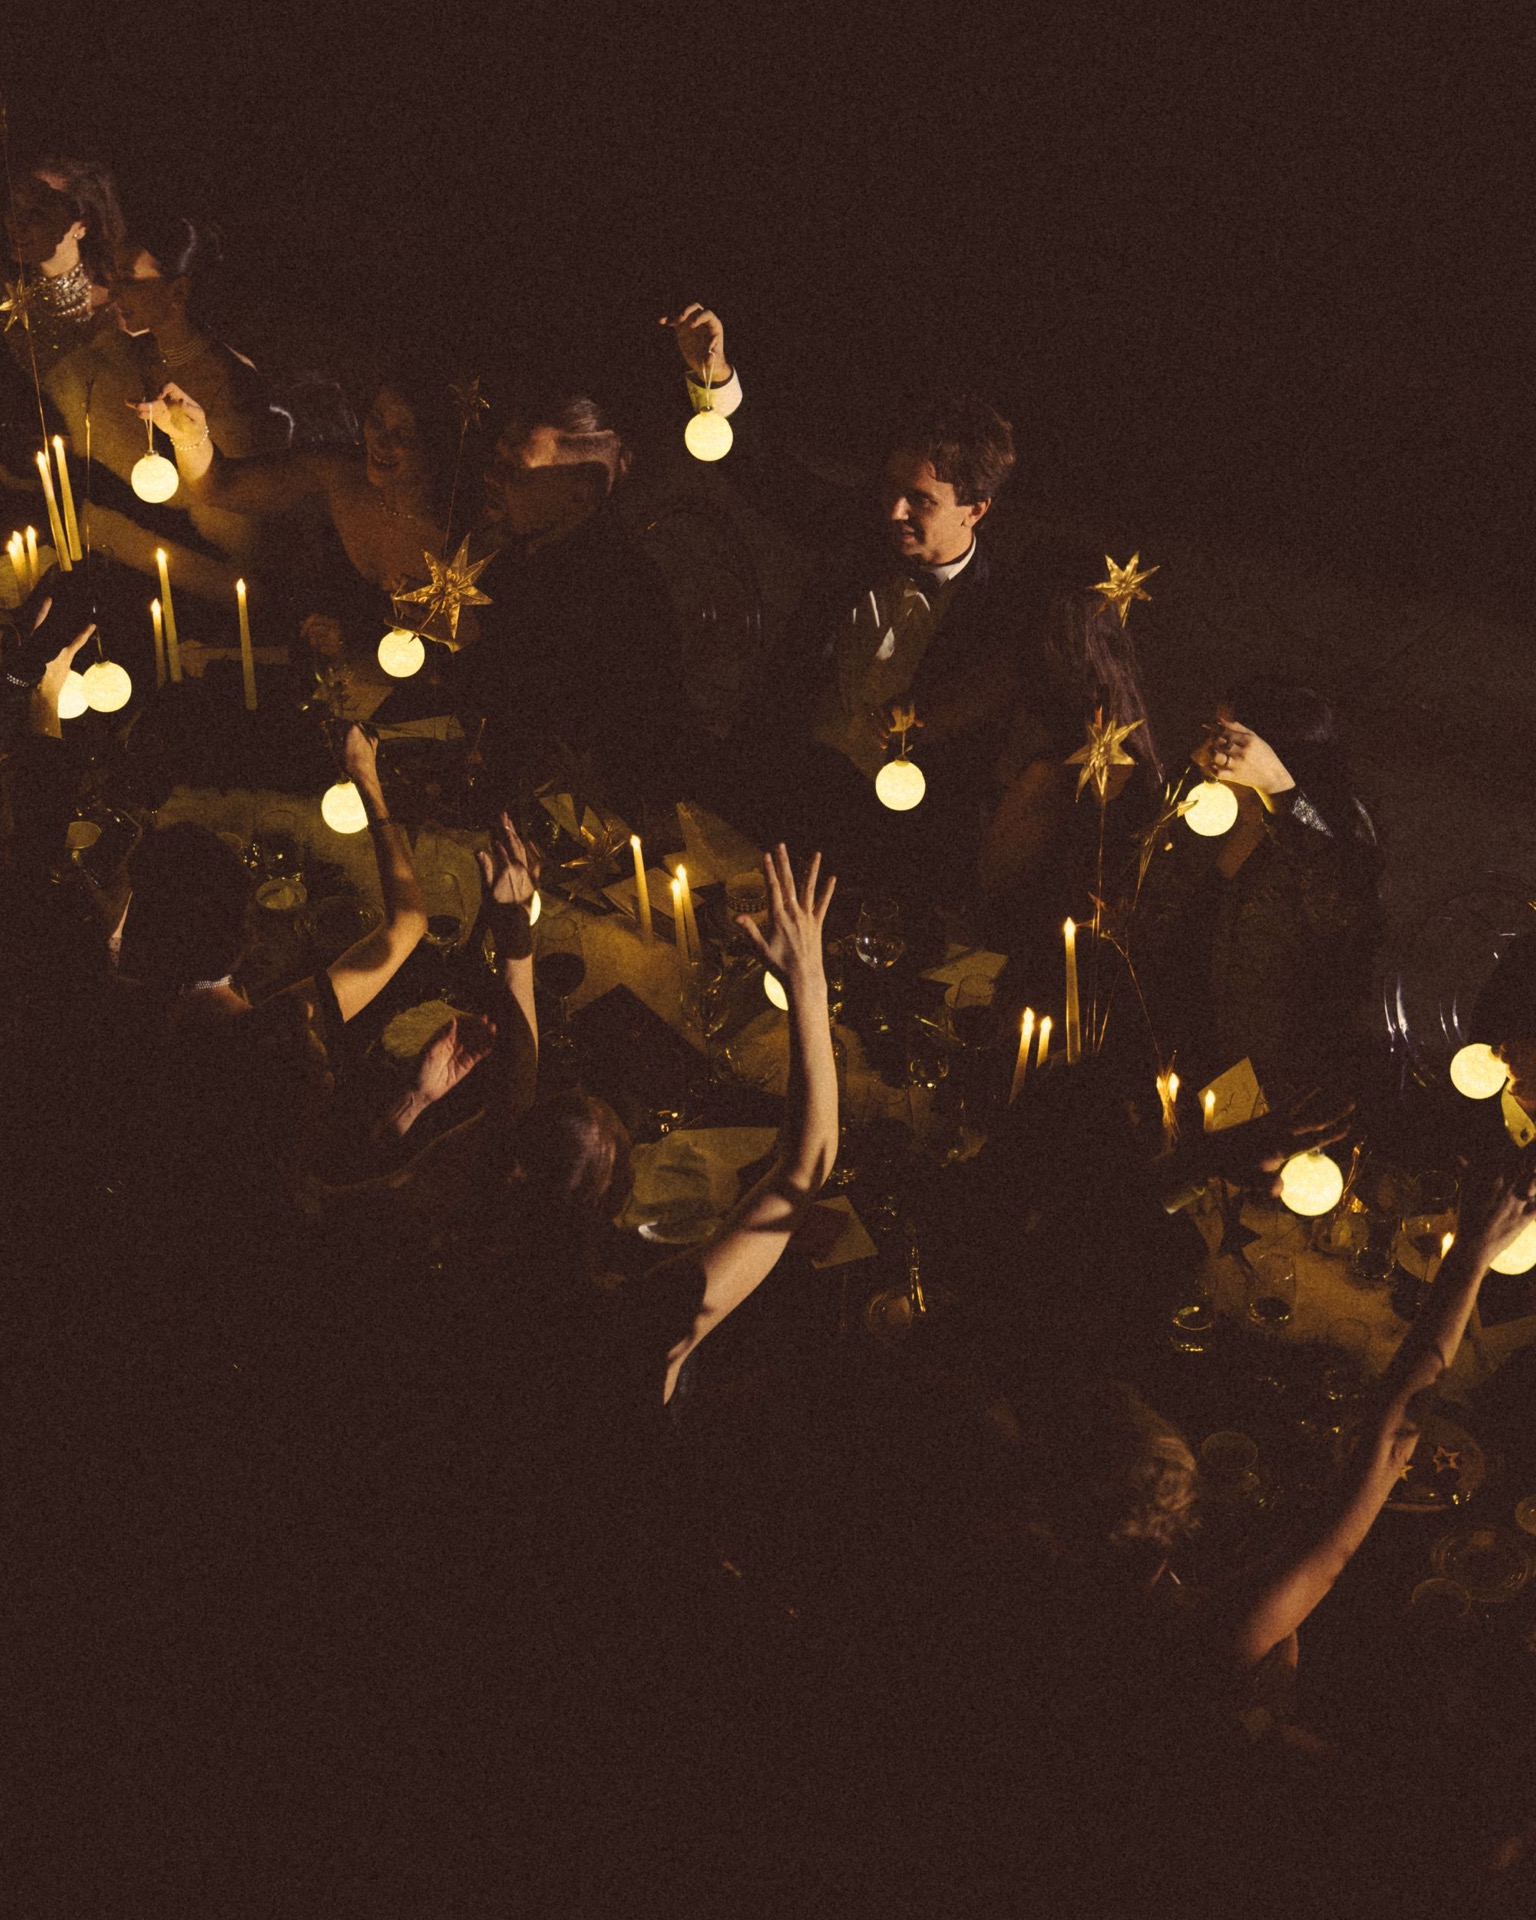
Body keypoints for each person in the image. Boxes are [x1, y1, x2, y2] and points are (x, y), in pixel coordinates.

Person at [662, 304, 1033, 891]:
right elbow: (767, 473)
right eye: (890, 486)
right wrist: (715, 374)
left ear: (976, 509)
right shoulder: (861, 530)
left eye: (920, 500)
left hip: (891, 835)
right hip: (785, 781)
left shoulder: (1002, 610)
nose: (894, 510)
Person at [1134, 672, 1382, 1096]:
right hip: (1176, 1042)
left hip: (1264, 1073)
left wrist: (1279, 790)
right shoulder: (1212, 808)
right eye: (1213, 733)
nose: (1209, 751)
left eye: (1227, 739)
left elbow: (1343, 913)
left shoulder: (1333, 825)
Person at [450, 386, 682, 816]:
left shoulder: (619, 596)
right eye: (496, 460)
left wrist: (470, 641)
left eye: (516, 470)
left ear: (581, 494)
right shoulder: (516, 552)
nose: (492, 477)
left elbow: (543, 730)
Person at [982, 582, 1166, 963]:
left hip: (1034, 952)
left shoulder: (1053, 770)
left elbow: (993, 877)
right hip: (1095, 949)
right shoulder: (1134, 748)